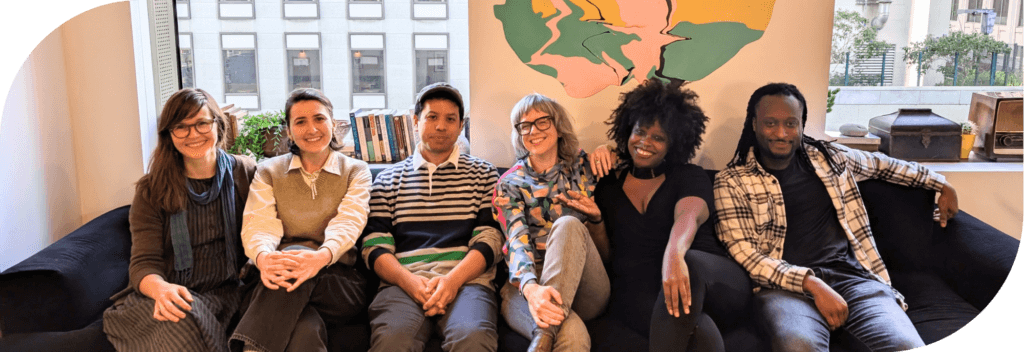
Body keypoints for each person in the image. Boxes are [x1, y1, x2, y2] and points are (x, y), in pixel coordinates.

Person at [714, 83, 959, 352]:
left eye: (790, 123)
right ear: (754, 124)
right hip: (784, 289)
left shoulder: (829, 158)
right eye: (770, 123)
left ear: (802, 124)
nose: (781, 133)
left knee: (904, 344)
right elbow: (746, 253)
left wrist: (940, 184)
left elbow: (883, 165)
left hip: (853, 279)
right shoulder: (732, 182)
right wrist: (812, 284)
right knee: (798, 346)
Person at [587, 79, 753, 352]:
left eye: (658, 137)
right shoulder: (607, 186)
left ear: (673, 143)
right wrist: (595, 221)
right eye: (640, 132)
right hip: (647, 292)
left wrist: (674, 254)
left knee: (688, 266)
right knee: (699, 329)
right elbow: (606, 257)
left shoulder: (688, 175)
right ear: (627, 131)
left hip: (713, 280)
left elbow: (688, 214)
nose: (645, 142)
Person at [102, 88, 257, 352]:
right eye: (181, 127)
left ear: (218, 126)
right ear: (169, 134)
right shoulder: (152, 189)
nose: (193, 134)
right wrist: (161, 289)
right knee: (183, 322)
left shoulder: (245, 172)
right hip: (167, 293)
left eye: (201, 123)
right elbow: (143, 263)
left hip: (228, 291)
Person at [361, 82, 503, 352]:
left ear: (461, 126)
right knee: (393, 342)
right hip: (402, 285)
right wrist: (411, 283)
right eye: (432, 117)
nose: (441, 126)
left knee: (473, 338)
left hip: (467, 284)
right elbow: (373, 247)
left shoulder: (484, 174)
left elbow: (491, 239)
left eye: (450, 119)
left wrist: (451, 282)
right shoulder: (388, 179)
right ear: (416, 122)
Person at [231, 88, 372, 352]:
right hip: (276, 278)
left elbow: (349, 221)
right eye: (300, 122)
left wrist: (320, 257)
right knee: (305, 328)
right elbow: (259, 225)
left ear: (333, 123)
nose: (312, 128)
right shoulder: (268, 171)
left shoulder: (356, 171)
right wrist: (263, 258)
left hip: (336, 281)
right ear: (288, 131)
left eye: (319, 119)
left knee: (296, 255)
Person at [492, 93, 611, 352]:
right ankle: (547, 334)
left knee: (568, 223)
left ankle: (544, 332)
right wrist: (532, 290)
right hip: (528, 282)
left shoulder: (583, 166)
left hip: (585, 283)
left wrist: (607, 149)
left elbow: (637, 155)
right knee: (574, 339)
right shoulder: (509, 184)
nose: (533, 131)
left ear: (558, 127)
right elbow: (517, 241)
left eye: (542, 122)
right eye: (525, 125)